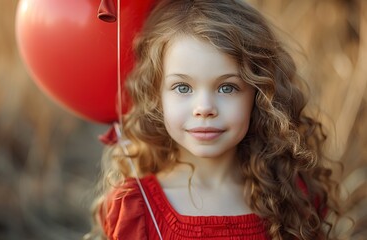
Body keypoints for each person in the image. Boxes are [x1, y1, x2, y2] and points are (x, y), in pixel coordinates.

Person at [88, 0, 340, 239]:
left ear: (260, 94)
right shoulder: (135, 209)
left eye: (227, 87)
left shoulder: (292, 197)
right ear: (156, 95)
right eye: (183, 87)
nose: (204, 108)